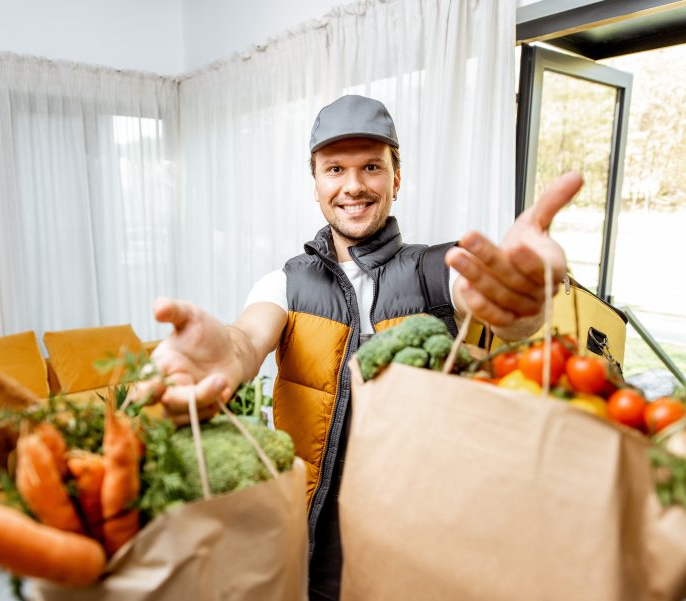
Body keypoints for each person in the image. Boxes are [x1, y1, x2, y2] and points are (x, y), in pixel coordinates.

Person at [137, 95, 582, 600]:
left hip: (415, 533)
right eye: (335, 169)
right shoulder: (284, 282)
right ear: (316, 184)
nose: (353, 186)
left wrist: (521, 302)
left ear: (396, 178)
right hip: (309, 531)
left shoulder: (439, 269)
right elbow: (245, 339)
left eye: (371, 166)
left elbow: (497, 306)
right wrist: (227, 356)